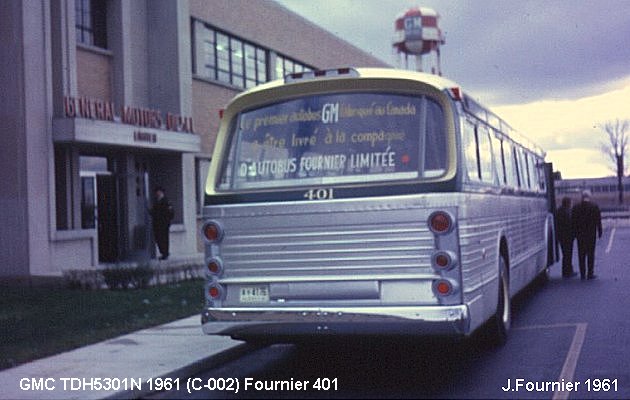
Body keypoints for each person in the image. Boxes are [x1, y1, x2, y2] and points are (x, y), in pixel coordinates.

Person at [571, 190, 602, 280]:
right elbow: (598, 220)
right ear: (589, 197)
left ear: (582, 197)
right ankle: (590, 273)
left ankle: (582, 273)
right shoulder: (594, 207)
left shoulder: (576, 208)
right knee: (591, 254)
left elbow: (573, 222)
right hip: (591, 234)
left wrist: (574, 234)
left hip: (580, 235)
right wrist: (599, 231)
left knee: (581, 254)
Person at [150, 186, 174, 260]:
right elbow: (154, 212)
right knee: (158, 239)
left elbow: (171, 212)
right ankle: (162, 252)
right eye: (156, 192)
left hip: (164, 224)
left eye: (158, 191)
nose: (157, 193)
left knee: (164, 238)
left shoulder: (166, 201)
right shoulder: (156, 201)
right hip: (157, 223)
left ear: (161, 192)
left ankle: (165, 253)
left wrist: (167, 221)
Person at [556, 197, 576, 278]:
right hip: (568, 236)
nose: (571, 204)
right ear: (568, 203)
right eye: (571, 202)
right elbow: (570, 224)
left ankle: (567, 270)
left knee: (565, 254)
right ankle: (567, 271)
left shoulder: (559, 211)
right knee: (568, 254)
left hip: (561, 236)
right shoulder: (567, 212)